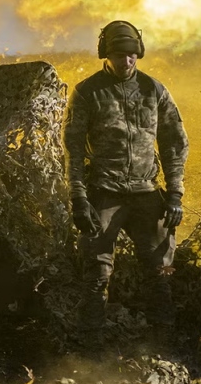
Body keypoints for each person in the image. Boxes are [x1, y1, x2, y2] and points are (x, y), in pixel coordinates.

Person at [62, 20, 189, 351]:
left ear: (139, 54)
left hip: (147, 192)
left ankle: (163, 344)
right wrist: (78, 198)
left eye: (132, 55)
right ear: (106, 54)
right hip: (104, 193)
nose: (126, 62)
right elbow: (73, 151)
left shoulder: (154, 90)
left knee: (160, 271)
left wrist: (175, 194)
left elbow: (174, 143)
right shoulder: (87, 92)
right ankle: (90, 351)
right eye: (120, 55)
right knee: (97, 273)